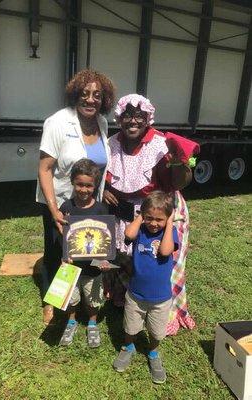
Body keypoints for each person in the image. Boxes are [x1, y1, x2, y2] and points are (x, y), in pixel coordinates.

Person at [103, 94, 198, 335]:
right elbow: (101, 174)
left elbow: (180, 182)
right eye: (127, 115)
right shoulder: (111, 143)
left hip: (160, 212)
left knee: (163, 262)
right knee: (131, 260)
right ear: (119, 118)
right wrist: (103, 188)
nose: (132, 121)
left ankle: (165, 313)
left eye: (138, 116)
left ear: (148, 119)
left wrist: (180, 162)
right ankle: (129, 303)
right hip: (127, 214)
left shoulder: (160, 143)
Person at [36, 70, 115, 325]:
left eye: (97, 95)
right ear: (75, 95)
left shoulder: (102, 123)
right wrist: (54, 210)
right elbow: (45, 169)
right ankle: (51, 300)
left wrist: (105, 192)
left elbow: (100, 165)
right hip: (60, 202)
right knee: (56, 254)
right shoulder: (57, 122)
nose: (90, 100)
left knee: (83, 249)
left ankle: (84, 298)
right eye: (85, 94)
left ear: (104, 99)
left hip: (90, 202)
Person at [113, 191, 179, 383]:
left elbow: (165, 251)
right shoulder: (140, 230)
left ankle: (153, 352)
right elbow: (128, 233)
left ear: (167, 219)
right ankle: (128, 347)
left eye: (159, 219)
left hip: (160, 298)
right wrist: (141, 215)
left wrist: (169, 224)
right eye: (149, 218)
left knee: (157, 331)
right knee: (130, 326)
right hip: (135, 294)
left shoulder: (170, 233)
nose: (153, 223)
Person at [59, 159, 110, 347]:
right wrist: (65, 255)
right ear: (72, 182)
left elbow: (106, 238)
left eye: (89, 185)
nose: (84, 189)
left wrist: (104, 258)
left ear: (95, 186)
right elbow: (61, 236)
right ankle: (71, 321)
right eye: (80, 184)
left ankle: (92, 323)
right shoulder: (66, 208)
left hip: (93, 268)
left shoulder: (101, 209)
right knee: (71, 299)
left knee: (93, 299)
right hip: (71, 266)